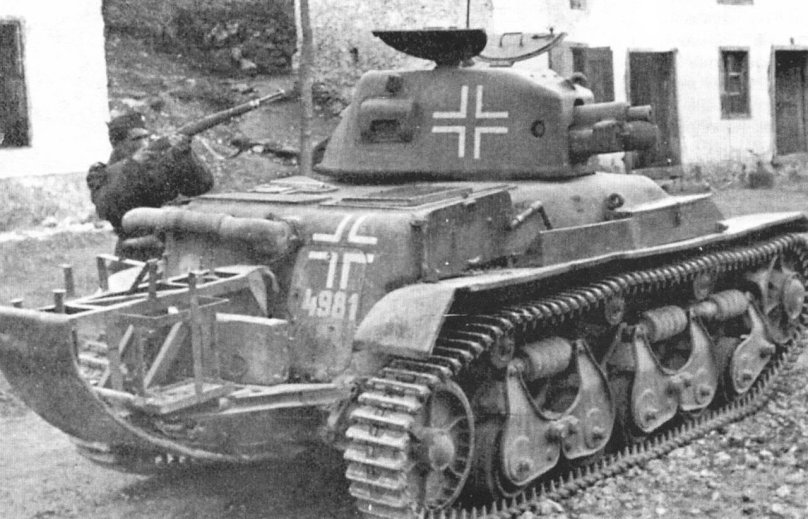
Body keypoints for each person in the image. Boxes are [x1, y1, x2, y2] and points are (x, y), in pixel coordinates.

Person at [87, 112, 214, 261]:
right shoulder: (100, 174)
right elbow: (107, 207)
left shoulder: (157, 163)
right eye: (136, 139)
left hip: (173, 248)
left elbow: (202, 186)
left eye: (146, 137)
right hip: (134, 253)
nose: (144, 144)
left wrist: (184, 154)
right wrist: (132, 165)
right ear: (117, 144)